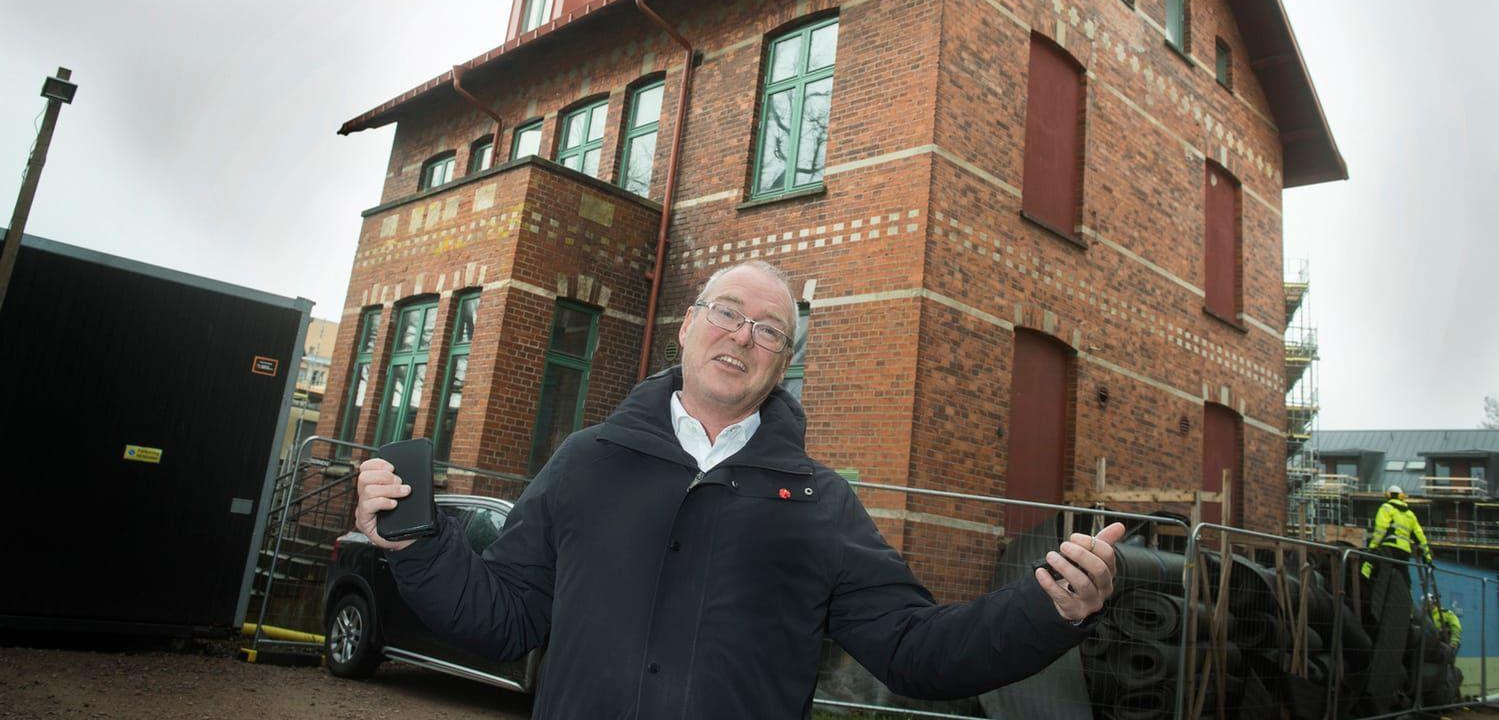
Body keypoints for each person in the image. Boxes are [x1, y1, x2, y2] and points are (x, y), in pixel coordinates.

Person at [356, 261, 1123, 719]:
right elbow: (502, 619)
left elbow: (913, 651)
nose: (741, 336)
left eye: (767, 330)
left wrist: (1045, 609)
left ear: (781, 362)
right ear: (686, 328)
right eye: (726, 313)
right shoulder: (589, 461)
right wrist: (414, 543)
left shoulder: (820, 505)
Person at [1360, 484, 1432, 581]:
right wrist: (1427, 557)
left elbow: (1381, 530)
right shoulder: (1410, 514)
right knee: (1404, 579)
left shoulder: (1386, 508)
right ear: (1401, 497)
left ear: (1388, 496)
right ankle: (1405, 593)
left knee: (1380, 575)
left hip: (1389, 548)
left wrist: (1373, 547)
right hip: (1405, 552)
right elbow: (1420, 537)